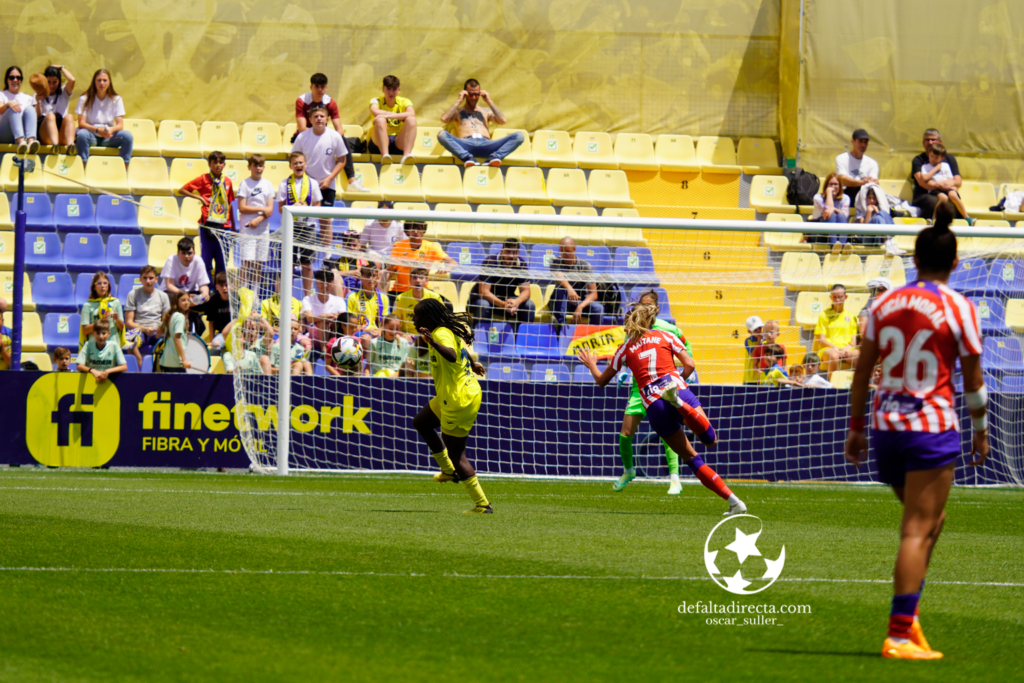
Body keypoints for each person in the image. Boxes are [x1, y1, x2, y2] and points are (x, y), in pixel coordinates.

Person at [845, 197, 987, 660]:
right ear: (954, 261)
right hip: (930, 427)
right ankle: (899, 635)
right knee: (917, 528)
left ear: (916, 258)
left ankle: (911, 620)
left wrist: (855, 428)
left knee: (931, 522)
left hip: (887, 427)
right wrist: (981, 430)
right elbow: (974, 380)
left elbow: (863, 370)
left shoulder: (885, 303)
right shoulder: (960, 307)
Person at [577, 302, 746, 516]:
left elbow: (602, 381)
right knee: (710, 440)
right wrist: (681, 381)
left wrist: (592, 364)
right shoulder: (666, 336)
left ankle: (734, 502)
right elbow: (690, 365)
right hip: (675, 387)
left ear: (632, 322)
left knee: (692, 458)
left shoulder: (625, 348)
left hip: (653, 404)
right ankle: (679, 402)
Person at [412, 298, 493, 513]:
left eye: (416, 315)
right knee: (421, 422)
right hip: (456, 393)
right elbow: (461, 352)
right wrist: (472, 363)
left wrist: (433, 342)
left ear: (428, 318)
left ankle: (483, 504)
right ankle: (448, 471)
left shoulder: (439, 334)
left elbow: (451, 354)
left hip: (458, 399)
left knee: (457, 455)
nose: (413, 318)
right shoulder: (445, 330)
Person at [614, 290, 694, 495]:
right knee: (625, 434)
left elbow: (686, 344)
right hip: (639, 388)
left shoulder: (667, 328)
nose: (644, 309)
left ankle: (675, 479)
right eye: (641, 305)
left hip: (662, 385)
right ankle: (629, 471)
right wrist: (623, 372)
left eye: (648, 306)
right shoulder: (633, 328)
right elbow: (625, 352)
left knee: (669, 432)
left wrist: (687, 371)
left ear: (657, 309)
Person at [293, 72, 366, 192]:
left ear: (326, 88)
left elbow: (339, 130)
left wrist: (331, 137)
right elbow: (302, 128)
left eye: (322, 87)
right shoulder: (302, 100)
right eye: (317, 86)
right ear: (311, 87)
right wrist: (316, 135)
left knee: (342, 140)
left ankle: (352, 180)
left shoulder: (330, 102)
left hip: (323, 135)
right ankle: (302, 181)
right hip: (306, 135)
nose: (320, 90)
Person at [292, 105, 347, 245]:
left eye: (322, 116)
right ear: (310, 119)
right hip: (306, 185)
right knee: (303, 220)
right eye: (315, 116)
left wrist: (329, 179)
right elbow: (294, 158)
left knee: (325, 220)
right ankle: (301, 256)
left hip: (327, 185)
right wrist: (305, 181)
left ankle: (326, 260)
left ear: (327, 119)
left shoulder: (335, 136)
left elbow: (342, 160)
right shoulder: (302, 137)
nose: (319, 119)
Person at [437, 78, 524, 167]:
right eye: (470, 94)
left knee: (519, 136)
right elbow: (444, 119)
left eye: (476, 94)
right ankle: (467, 158)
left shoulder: (485, 111)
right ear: (465, 94)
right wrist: (458, 100)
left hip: (487, 144)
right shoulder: (457, 112)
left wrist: (489, 101)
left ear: (480, 94)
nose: (474, 97)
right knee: (442, 134)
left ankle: (494, 157)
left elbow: (502, 121)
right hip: (466, 144)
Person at [179, 150, 235, 279]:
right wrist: (199, 197)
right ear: (209, 164)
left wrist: (232, 225)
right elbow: (182, 190)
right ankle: (207, 292)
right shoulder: (203, 179)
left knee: (222, 263)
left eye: (221, 163)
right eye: (215, 162)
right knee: (206, 262)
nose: (218, 165)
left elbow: (230, 203)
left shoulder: (227, 181)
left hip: (224, 226)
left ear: (224, 165)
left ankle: (220, 293)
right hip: (207, 225)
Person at [276, 151, 322, 296]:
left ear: (305, 164)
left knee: (307, 263)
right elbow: (280, 208)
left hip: (308, 227)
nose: (298, 165)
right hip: (290, 228)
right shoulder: (284, 184)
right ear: (290, 166)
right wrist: (292, 209)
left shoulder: (313, 183)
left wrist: (306, 209)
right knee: (289, 263)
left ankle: (307, 296)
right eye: (295, 163)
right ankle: (286, 296)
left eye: (301, 162)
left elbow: (318, 205)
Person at [79, 271, 139, 368]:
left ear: (109, 286)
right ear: (94, 287)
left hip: (112, 346)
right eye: (99, 283)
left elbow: (121, 327)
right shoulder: (87, 305)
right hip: (94, 347)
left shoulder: (116, 302)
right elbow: (85, 330)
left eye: (105, 283)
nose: (102, 286)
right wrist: (100, 321)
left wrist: (117, 319)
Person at [469, 238, 534, 326]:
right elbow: (484, 292)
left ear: (518, 252)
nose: (511, 256)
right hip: (484, 300)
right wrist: (503, 304)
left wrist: (516, 302)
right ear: (502, 250)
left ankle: (521, 338)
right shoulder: (489, 262)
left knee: (529, 306)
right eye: (508, 252)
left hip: (506, 300)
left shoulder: (521, 264)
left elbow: (526, 291)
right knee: (483, 304)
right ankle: (479, 338)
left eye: (514, 253)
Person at [74, 68, 132, 164]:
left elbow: (120, 125)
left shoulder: (116, 99)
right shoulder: (84, 98)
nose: (102, 83)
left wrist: (110, 130)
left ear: (109, 82)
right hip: (91, 134)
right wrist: (97, 130)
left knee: (127, 136)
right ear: (94, 82)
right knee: (82, 134)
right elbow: (81, 124)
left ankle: (124, 168)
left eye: (105, 80)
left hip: (108, 136)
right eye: (99, 80)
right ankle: (83, 166)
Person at [387, 221, 457, 300]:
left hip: (423, 291)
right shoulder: (398, 246)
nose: (416, 232)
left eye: (419, 229)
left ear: (423, 231)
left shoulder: (431, 246)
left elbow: (453, 262)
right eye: (413, 229)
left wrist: (446, 268)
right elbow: (389, 270)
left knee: (448, 306)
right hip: (400, 291)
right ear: (407, 231)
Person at [236, 154, 275, 289]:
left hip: (262, 228)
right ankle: (243, 294)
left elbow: (270, 209)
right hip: (248, 227)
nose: (258, 169)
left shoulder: (268, 184)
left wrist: (259, 219)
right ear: (249, 167)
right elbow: (242, 207)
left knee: (259, 263)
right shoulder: (244, 183)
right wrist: (260, 209)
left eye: (260, 166)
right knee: (246, 262)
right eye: (255, 166)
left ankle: (254, 296)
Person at [159, 237, 211, 336]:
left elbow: (203, 284)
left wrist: (205, 293)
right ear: (178, 253)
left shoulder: (198, 260)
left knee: (213, 299)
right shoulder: (171, 259)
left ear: (194, 253)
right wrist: (185, 297)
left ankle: (214, 336)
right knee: (175, 299)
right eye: (183, 253)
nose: (187, 256)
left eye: (189, 253)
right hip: (171, 294)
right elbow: (169, 285)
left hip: (190, 294)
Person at [549, 236, 604, 326]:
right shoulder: (554, 262)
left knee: (598, 308)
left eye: (567, 251)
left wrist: (580, 306)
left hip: (579, 301)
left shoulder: (585, 266)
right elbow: (559, 276)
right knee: (560, 288)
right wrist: (569, 289)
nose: (564, 254)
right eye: (562, 251)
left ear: (574, 249)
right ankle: (561, 327)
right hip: (560, 302)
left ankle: (592, 335)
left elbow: (594, 294)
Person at [911, 129, 961, 220]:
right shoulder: (918, 160)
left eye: (933, 139)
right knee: (933, 201)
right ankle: (930, 225)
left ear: (940, 141)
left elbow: (958, 181)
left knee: (954, 197)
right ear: (923, 143)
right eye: (927, 140)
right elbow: (922, 183)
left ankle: (962, 223)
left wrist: (948, 185)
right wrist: (940, 185)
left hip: (946, 190)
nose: (930, 142)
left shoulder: (950, 159)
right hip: (924, 194)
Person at [368, 74, 417, 166]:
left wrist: (387, 116)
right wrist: (400, 116)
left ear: (398, 90)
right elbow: (375, 111)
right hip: (378, 143)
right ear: (383, 89)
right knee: (380, 120)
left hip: (398, 142)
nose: (391, 92)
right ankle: (385, 155)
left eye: (394, 89)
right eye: (388, 89)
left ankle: (406, 156)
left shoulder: (404, 101)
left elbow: (412, 113)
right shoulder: (376, 100)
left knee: (412, 120)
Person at [816, 283, 859, 379]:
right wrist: (834, 347)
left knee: (858, 355)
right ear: (831, 297)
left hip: (846, 350)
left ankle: (856, 385)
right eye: (834, 297)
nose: (837, 300)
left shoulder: (851, 317)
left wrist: (847, 348)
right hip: (828, 349)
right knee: (834, 355)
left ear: (845, 297)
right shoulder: (824, 315)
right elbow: (821, 341)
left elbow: (853, 341)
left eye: (840, 297)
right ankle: (833, 387)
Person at [920, 144, 971, 223]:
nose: (933, 159)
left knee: (953, 195)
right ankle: (934, 219)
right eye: (931, 156)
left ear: (942, 158)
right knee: (943, 198)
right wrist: (936, 168)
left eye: (936, 157)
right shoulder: (925, 167)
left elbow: (950, 179)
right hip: (936, 189)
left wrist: (949, 185)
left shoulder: (946, 166)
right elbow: (925, 178)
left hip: (947, 187)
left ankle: (966, 217)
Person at [125, 265, 170, 353]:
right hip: (138, 329)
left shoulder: (163, 296)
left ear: (156, 279)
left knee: (170, 340)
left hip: (157, 330)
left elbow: (166, 321)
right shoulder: (133, 294)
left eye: (151, 278)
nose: (148, 281)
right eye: (145, 278)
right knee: (129, 341)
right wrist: (144, 329)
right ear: (140, 279)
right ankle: (137, 364)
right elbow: (128, 322)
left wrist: (157, 329)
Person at [347, 264, 390, 352]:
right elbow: (350, 323)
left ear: (377, 278)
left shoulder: (383, 297)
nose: (371, 279)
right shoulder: (352, 297)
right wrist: (366, 329)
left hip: (378, 331)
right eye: (367, 276)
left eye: (373, 276)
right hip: (360, 332)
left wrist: (380, 330)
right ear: (361, 278)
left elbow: (386, 320)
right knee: (367, 339)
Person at [302, 269, 346, 352]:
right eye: (322, 281)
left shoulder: (339, 300)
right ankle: (324, 350)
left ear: (333, 284)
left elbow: (343, 318)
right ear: (316, 283)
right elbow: (309, 318)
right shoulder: (308, 299)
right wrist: (324, 316)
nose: (325, 285)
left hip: (333, 330)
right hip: (314, 333)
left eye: (328, 282)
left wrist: (333, 318)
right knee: (323, 321)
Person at [35, 65, 76, 153]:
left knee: (69, 117)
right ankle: (55, 146)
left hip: (61, 132)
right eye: (48, 82)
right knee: (50, 116)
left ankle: (70, 146)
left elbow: (72, 80)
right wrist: (38, 102)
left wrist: (61, 67)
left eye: (55, 82)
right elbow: (38, 117)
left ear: (59, 81)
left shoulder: (64, 91)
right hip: (45, 133)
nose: (51, 85)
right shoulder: (38, 93)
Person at [808, 173, 852, 254]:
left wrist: (834, 209)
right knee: (830, 215)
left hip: (837, 232)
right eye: (830, 184)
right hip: (819, 233)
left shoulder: (845, 198)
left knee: (841, 215)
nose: (833, 187)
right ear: (826, 186)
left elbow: (845, 214)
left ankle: (841, 246)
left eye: (836, 184)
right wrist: (829, 193)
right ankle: (834, 246)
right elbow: (827, 211)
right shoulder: (817, 197)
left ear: (840, 186)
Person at [0, 66, 39, 154]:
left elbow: (35, 117)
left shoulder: (28, 98)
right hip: (4, 133)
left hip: (24, 132)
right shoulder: (1, 94)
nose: (15, 80)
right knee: (14, 107)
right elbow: (0, 110)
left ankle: (31, 142)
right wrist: (8, 104)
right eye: (12, 77)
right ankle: (21, 142)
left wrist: (38, 101)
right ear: (7, 80)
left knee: (30, 109)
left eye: (18, 78)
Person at [835, 129, 879, 205]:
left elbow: (874, 182)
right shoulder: (842, 158)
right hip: (847, 194)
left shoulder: (872, 163)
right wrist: (862, 182)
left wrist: (869, 182)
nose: (863, 145)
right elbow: (842, 179)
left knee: (872, 191)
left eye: (865, 142)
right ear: (853, 141)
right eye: (860, 142)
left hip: (865, 195)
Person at [394, 267, 444, 334]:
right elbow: (395, 321)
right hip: (408, 336)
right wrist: (403, 335)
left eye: (421, 278)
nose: (418, 280)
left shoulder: (435, 297)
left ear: (426, 281)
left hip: (430, 335)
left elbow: (442, 319)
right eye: (414, 278)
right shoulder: (400, 298)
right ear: (409, 281)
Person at [194, 272, 232, 346]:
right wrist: (212, 340)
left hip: (235, 333)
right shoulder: (214, 300)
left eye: (227, 285)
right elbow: (211, 322)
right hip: (221, 334)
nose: (224, 288)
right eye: (222, 285)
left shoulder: (236, 300)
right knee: (215, 344)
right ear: (217, 287)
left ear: (232, 286)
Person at [159, 291, 192, 373]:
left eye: (188, 300)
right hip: (176, 362)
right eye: (183, 300)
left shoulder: (170, 315)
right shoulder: (180, 317)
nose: (186, 302)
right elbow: (177, 338)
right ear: (176, 302)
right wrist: (184, 359)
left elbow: (159, 330)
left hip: (167, 361)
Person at [742, 315, 765, 384]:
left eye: (760, 328)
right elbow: (752, 355)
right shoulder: (748, 341)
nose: (758, 331)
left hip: (761, 377)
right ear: (749, 331)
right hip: (750, 377)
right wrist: (758, 342)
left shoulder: (765, 340)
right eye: (755, 330)